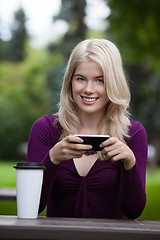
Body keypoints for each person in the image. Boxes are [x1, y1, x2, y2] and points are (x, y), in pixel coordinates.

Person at [27, 39, 148, 219]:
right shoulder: (45, 129)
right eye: (81, 79)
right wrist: (52, 159)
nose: (89, 89)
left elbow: (133, 211)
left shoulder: (134, 134)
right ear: (70, 82)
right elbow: (31, 206)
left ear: (114, 83)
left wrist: (129, 162)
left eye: (100, 80)